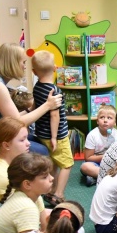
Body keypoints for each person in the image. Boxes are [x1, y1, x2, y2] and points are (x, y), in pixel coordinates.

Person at [0, 43, 62, 157]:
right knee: (42, 151)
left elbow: (13, 118)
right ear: (12, 64)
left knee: (40, 142)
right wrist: (48, 105)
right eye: (23, 62)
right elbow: (17, 123)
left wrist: (32, 108)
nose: (25, 67)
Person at [31, 51, 73, 205]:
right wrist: (55, 137)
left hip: (42, 133)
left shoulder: (37, 87)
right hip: (57, 136)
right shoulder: (54, 91)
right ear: (55, 68)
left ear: (34, 71)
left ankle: (50, 190)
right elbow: (54, 116)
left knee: (53, 162)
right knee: (67, 164)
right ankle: (58, 194)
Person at [80, 104, 117, 186]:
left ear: (115, 122)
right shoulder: (92, 135)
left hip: (112, 163)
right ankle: (111, 177)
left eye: (109, 118)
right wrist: (105, 156)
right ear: (97, 121)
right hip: (97, 163)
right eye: (102, 117)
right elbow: (88, 158)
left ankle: (97, 177)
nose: (105, 120)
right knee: (85, 167)